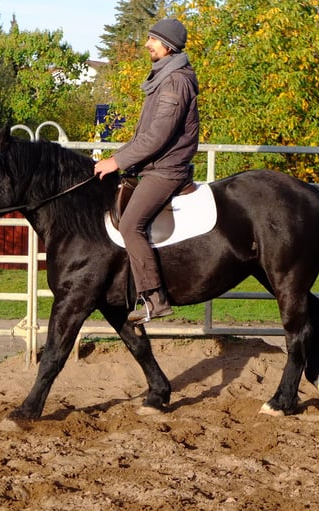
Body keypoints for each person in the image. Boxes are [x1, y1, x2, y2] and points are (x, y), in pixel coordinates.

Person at [94, 18, 199, 324]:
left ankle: (155, 299)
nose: (147, 44)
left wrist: (118, 161)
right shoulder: (163, 77)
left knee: (130, 225)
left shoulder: (176, 81)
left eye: (153, 40)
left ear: (168, 46)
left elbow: (158, 136)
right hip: (152, 166)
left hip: (167, 170)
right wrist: (118, 158)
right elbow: (145, 135)